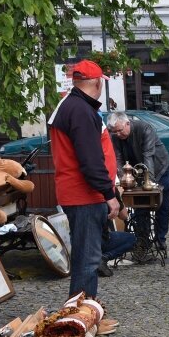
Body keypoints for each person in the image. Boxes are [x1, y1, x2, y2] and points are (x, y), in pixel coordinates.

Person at [48, 59, 119, 298]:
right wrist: (109, 195)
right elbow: (91, 161)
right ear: (97, 83)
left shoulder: (72, 105)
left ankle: (84, 313)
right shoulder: (80, 110)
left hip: (80, 194)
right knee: (88, 261)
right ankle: (79, 317)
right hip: (84, 196)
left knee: (86, 259)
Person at [107, 111, 169, 252]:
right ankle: (143, 240)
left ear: (127, 124)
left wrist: (150, 185)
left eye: (120, 130)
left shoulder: (144, 128)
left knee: (161, 205)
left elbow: (148, 155)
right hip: (137, 172)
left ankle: (161, 239)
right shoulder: (115, 136)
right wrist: (124, 179)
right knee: (140, 206)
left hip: (159, 168)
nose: (118, 134)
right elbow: (117, 159)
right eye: (114, 132)